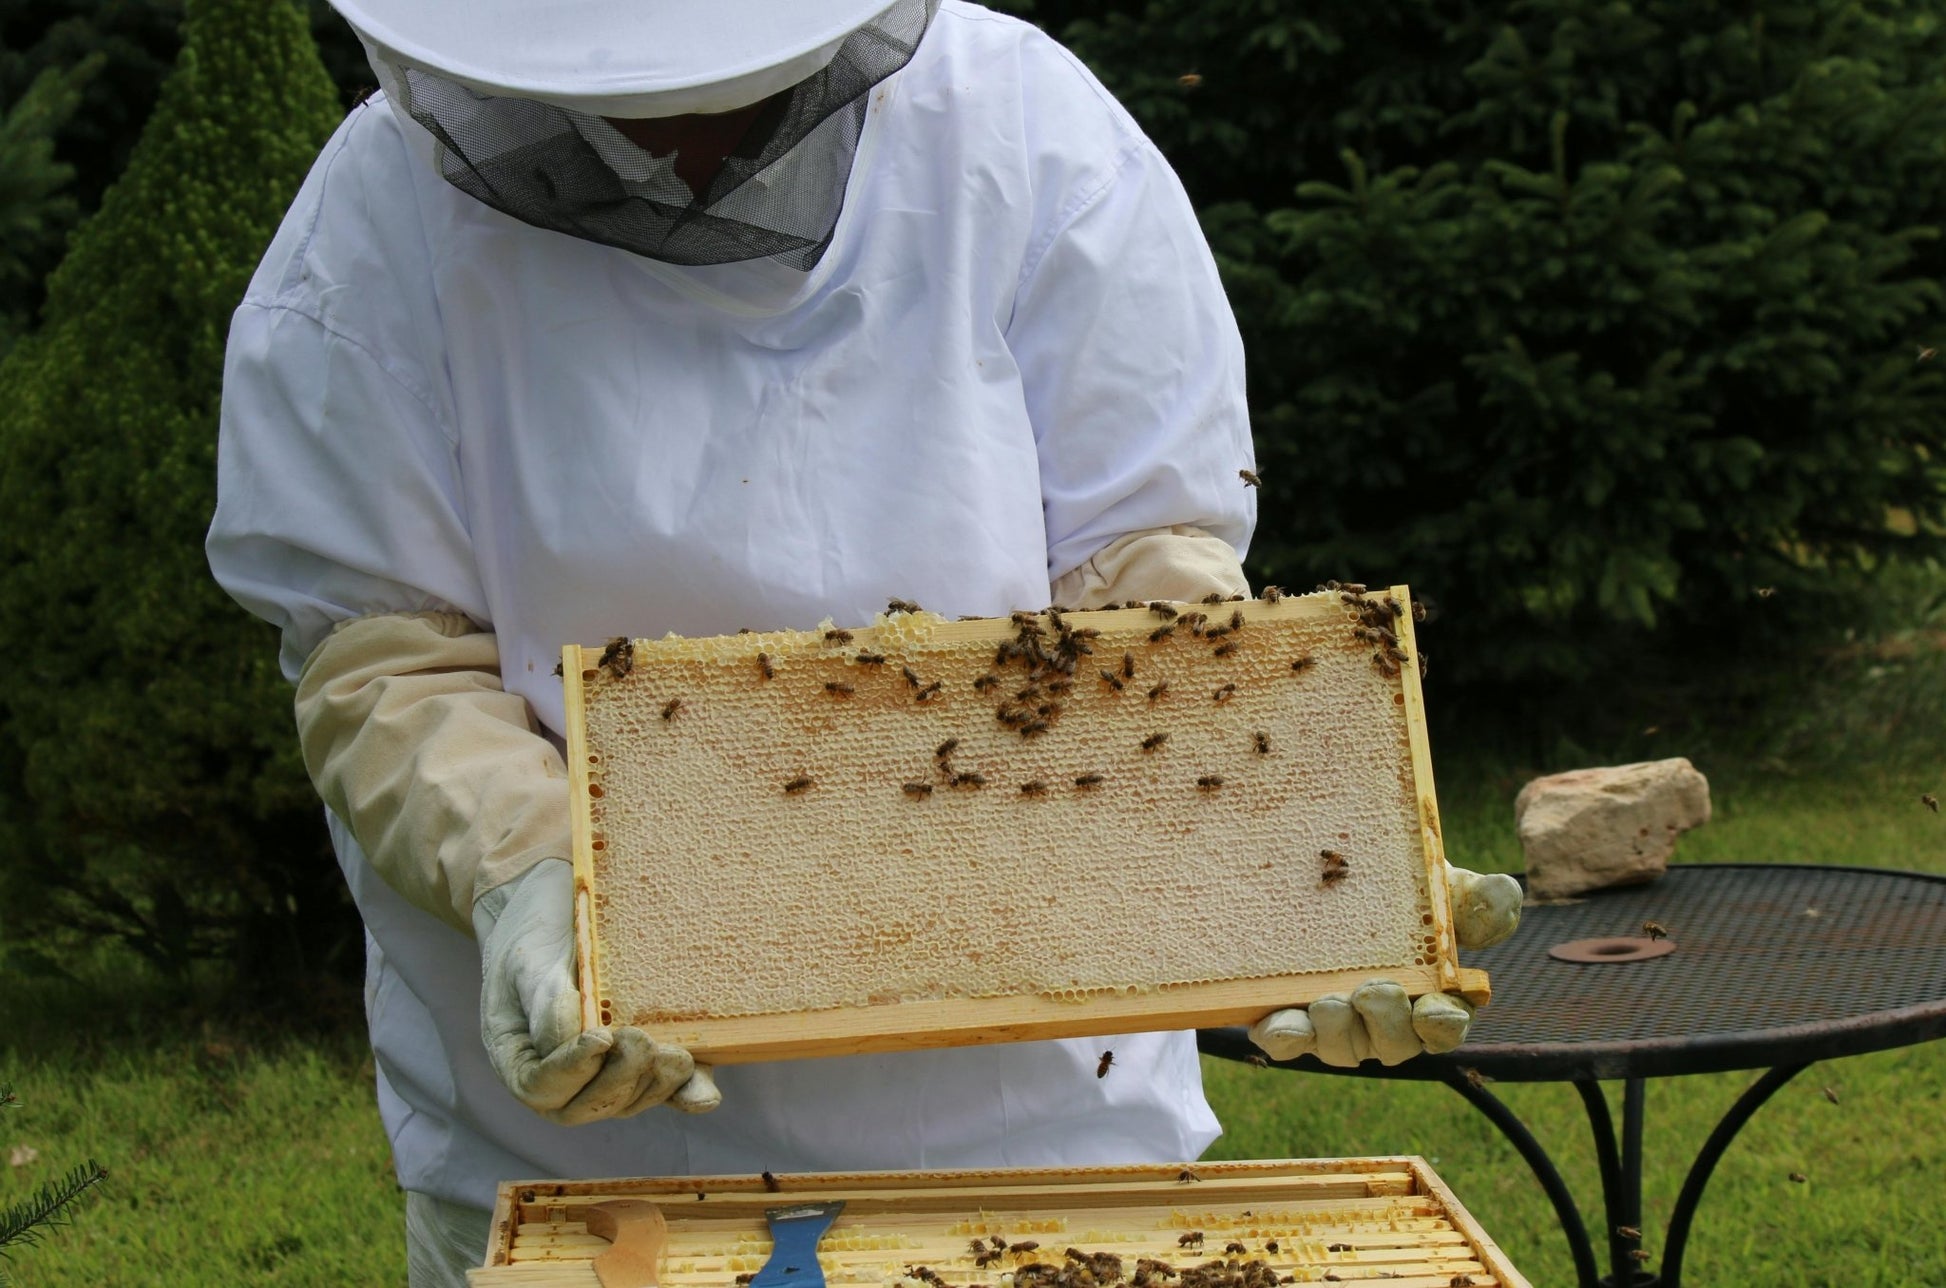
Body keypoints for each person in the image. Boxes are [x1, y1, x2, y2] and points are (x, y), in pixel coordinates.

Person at [206, 2, 1522, 1283]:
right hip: (594, 1173)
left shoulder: (1026, 130)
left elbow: (1140, 576)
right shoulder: (370, 231)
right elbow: (391, 656)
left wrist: (1289, 866)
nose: (683, 137)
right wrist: (528, 877)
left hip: (1045, 1127)